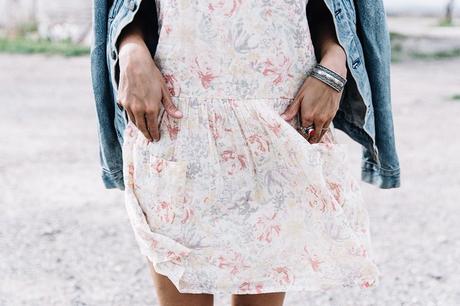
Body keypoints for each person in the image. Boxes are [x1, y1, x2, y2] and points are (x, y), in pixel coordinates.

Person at [90, 0, 401, 305]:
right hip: (176, 120)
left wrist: (335, 63)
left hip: (277, 122)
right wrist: (129, 48)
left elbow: (328, 10)